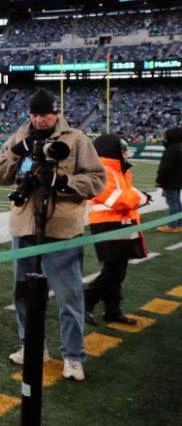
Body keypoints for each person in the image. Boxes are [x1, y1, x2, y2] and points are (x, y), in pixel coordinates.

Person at [0, 89, 105, 381]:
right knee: (22, 295)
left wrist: (63, 180)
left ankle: (73, 355)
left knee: (69, 296)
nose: (39, 120)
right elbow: (0, 176)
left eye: (44, 114)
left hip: (62, 228)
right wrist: (17, 152)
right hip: (24, 226)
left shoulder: (77, 139)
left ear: (56, 114)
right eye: (34, 114)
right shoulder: (20, 137)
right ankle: (31, 347)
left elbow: (97, 180)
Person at [83, 135, 148, 326]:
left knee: (118, 271)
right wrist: (141, 197)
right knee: (113, 271)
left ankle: (112, 310)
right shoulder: (103, 170)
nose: (127, 152)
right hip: (107, 225)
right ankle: (86, 302)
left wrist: (136, 196)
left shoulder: (117, 169)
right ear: (112, 150)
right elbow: (119, 200)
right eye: (123, 148)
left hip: (120, 223)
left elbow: (126, 197)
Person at [155, 127, 182, 233]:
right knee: (177, 202)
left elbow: (165, 168)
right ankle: (179, 224)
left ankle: (172, 226)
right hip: (178, 180)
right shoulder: (179, 147)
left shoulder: (171, 149)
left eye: (166, 136)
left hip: (170, 181)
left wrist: (159, 180)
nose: (164, 138)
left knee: (172, 202)